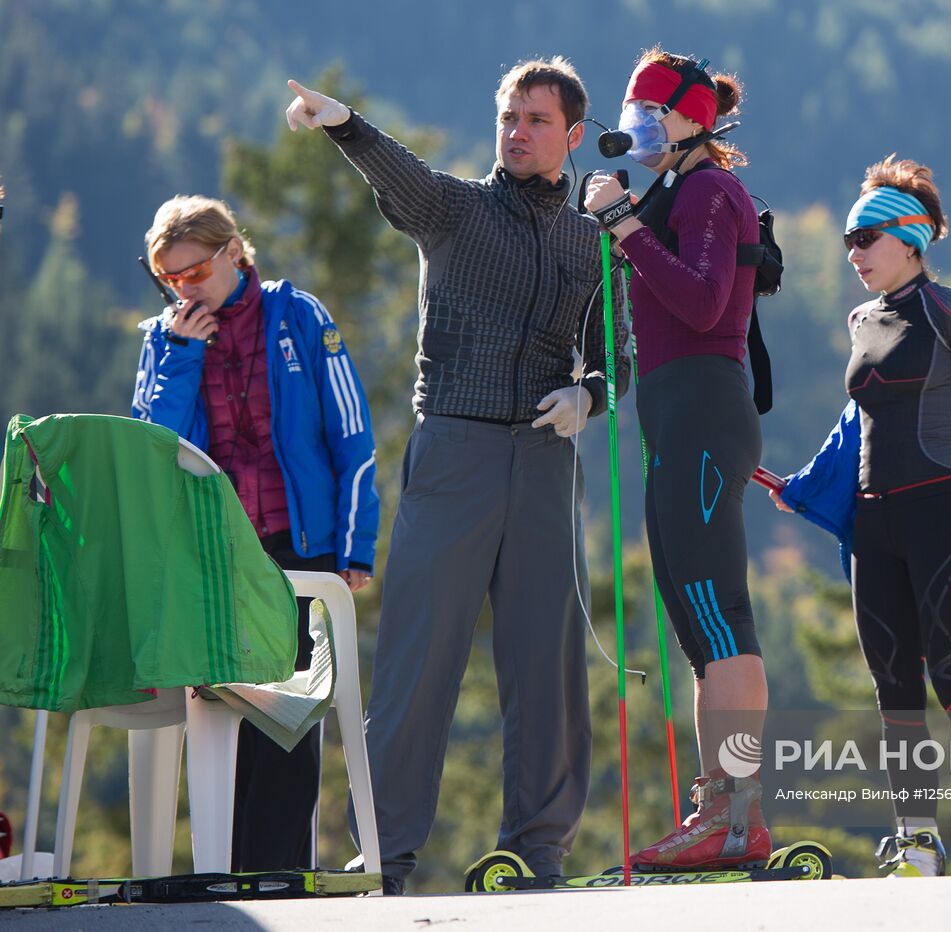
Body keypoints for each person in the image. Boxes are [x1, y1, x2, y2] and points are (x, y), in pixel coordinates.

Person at [285, 58, 629, 891]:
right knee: (417, 657)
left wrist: (592, 393)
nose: (517, 131)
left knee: (547, 661)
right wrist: (345, 124)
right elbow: (400, 175)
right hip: (455, 450)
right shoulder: (456, 210)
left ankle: (538, 851)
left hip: (548, 457)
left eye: (537, 120)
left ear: (573, 136)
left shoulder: (594, 241)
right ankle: (386, 851)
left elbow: (628, 350)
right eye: (509, 116)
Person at [772, 156, 951, 877]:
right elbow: (854, 425)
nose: (853, 252)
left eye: (865, 237)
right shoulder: (862, 320)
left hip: (940, 516)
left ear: (910, 237)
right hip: (874, 527)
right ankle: (918, 842)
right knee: (893, 686)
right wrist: (807, 486)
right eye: (847, 241)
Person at [132, 194, 379, 872]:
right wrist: (183, 355)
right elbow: (153, 451)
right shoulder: (165, 339)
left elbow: (351, 436)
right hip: (213, 559)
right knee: (221, 716)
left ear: (234, 252)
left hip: (302, 548)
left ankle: (278, 874)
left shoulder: (298, 316)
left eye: (195, 273)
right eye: (170, 282)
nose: (184, 291)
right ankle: (227, 872)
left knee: (292, 718)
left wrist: (355, 547)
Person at [582, 49, 769, 871]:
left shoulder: (704, 190)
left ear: (695, 119)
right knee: (699, 623)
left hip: (700, 409)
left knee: (719, 616)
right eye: (635, 113)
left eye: (655, 113)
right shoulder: (676, 190)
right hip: (681, 414)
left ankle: (737, 815)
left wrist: (624, 226)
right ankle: (717, 812)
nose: (642, 127)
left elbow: (699, 301)